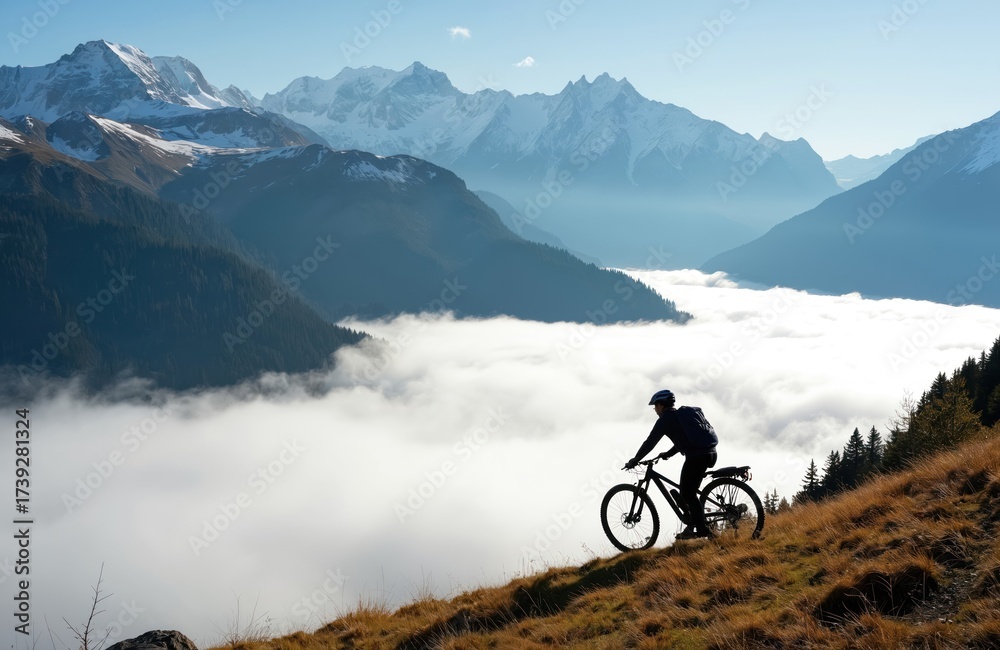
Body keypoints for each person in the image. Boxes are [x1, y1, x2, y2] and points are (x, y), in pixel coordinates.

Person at [624, 389, 718, 539]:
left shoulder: (666, 419)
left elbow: (650, 442)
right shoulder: (680, 417)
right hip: (710, 453)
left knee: (688, 494)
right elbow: (685, 440)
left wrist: (635, 459)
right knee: (688, 492)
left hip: (697, 457)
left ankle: (702, 531)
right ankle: (692, 524)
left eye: (655, 406)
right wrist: (668, 454)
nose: (654, 410)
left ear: (661, 405)